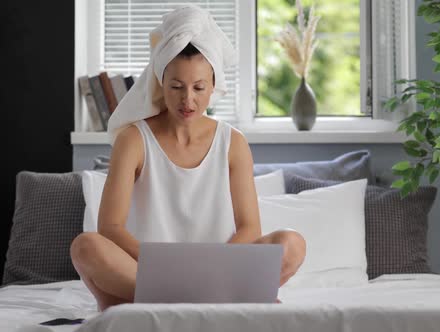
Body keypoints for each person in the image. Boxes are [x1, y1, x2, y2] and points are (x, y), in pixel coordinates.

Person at [70, 5, 306, 312]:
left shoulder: (232, 142)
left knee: (292, 243)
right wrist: (166, 267)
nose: (188, 100)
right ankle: (206, 297)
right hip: (149, 269)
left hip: (218, 269)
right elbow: (110, 227)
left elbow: (249, 227)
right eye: (177, 87)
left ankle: (166, 297)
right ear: (161, 83)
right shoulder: (134, 139)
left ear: (213, 87)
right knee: (86, 246)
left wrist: (207, 268)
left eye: (198, 88)